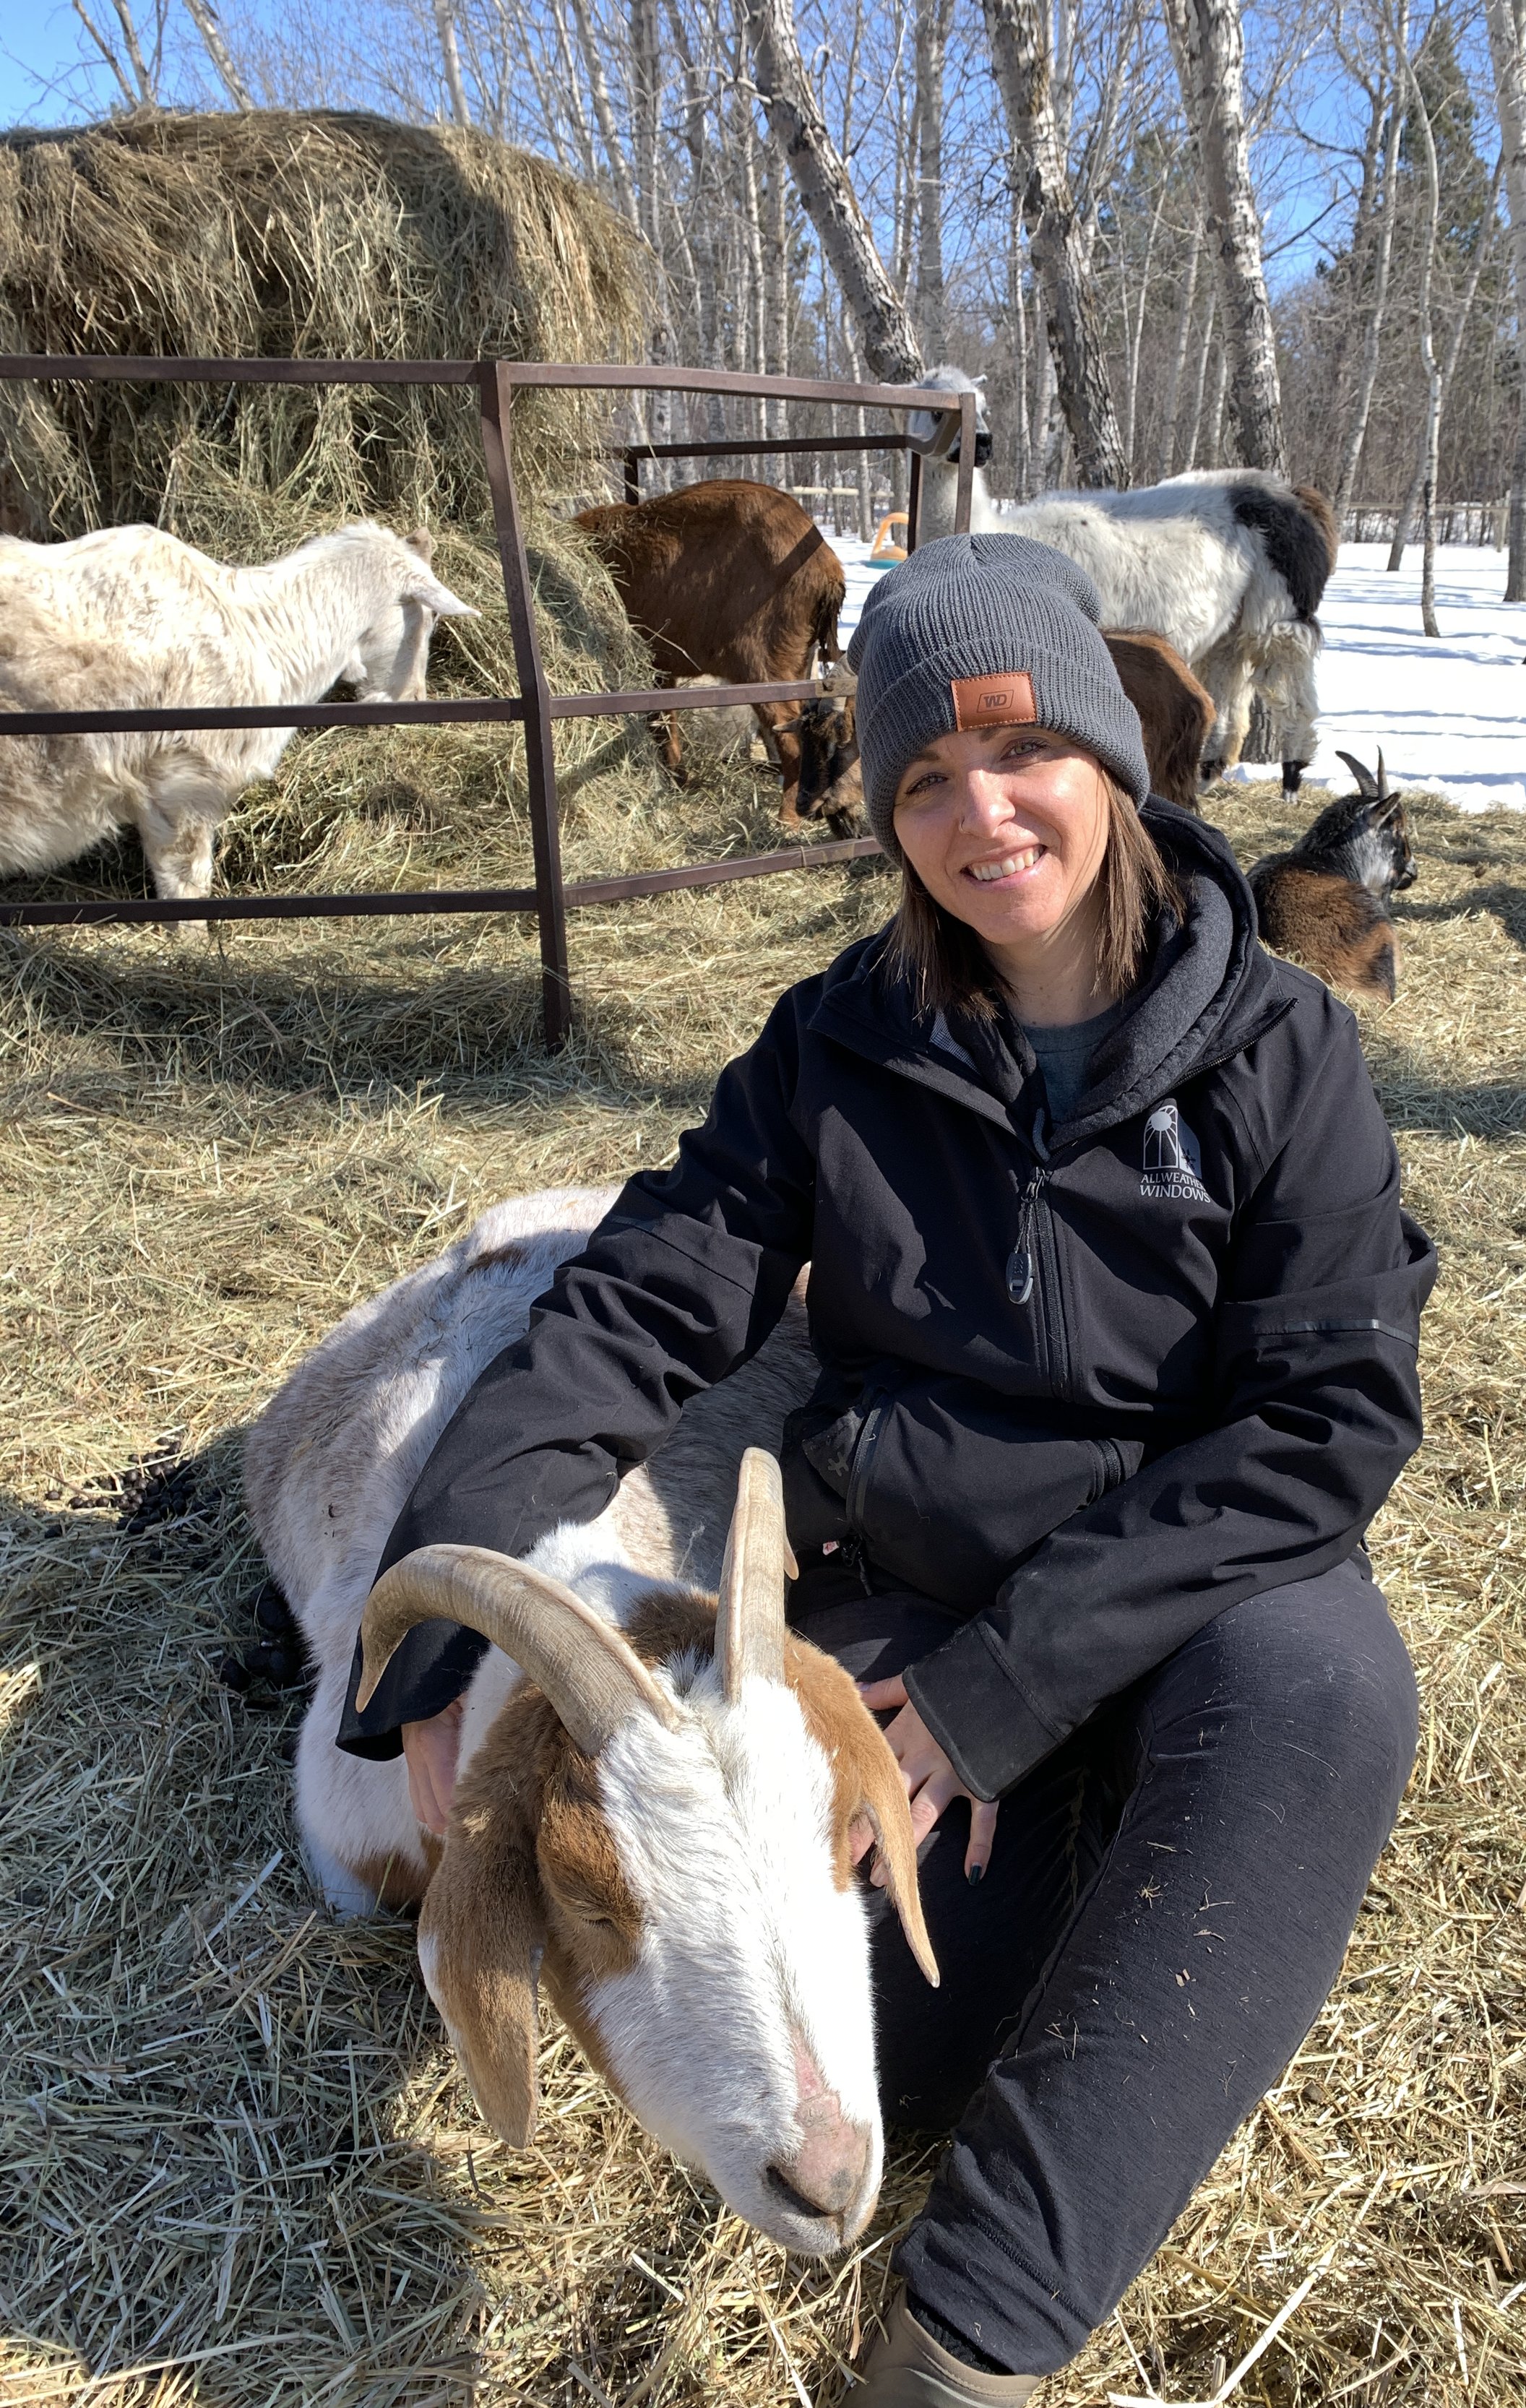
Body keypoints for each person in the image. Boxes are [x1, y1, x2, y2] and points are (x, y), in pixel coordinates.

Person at [338, 533, 1436, 2406]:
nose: (977, 810)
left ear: (1106, 753)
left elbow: (1320, 1421)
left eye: (1016, 750)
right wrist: (438, 1615)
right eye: (920, 774)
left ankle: (961, 2343)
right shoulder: (843, 1041)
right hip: (901, 1604)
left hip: (1172, 1607)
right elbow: (634, 1306)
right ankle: (1111, 1887)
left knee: (1324, 1689)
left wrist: (1002, 1699)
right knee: (906, 2063)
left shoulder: (1276, 1048)